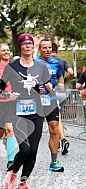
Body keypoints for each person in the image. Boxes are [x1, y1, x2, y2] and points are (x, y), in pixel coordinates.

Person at [0, 33, 51, 189]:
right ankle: (12, 173)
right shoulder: (12, 66)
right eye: (24, 43)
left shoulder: (40, 67)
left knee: (33, 150)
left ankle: (23, 182)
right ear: (19, 46)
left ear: (33, 46)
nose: (28, 46)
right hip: (18, 111)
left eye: (30, 43)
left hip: (37, 111)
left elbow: (47, 87)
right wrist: (8, 95)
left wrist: (46, 89)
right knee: (25, 149)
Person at [35, 39, 64, 172]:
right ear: (40, 49)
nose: (47, 50)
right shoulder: (34, 62)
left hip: (51, 100)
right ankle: (28, 158)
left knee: (54, 129)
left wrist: (59, 87)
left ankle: (53, 162)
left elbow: (60, 78)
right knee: (35, 132)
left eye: (49, 47)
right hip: (37, 101)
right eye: (45, 48)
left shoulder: (55, 63)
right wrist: (38, 88)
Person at [51, 42, 73, 155]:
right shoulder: (63, 61)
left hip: (51, 91)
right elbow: (71, 72)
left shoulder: (47, 61)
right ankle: (60, 140)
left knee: (54, 117)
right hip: (62, 91)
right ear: (57, 50)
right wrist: (64, 80)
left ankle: (62, 139)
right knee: (57, 115)